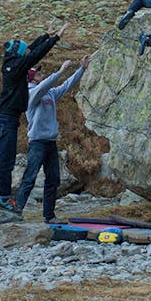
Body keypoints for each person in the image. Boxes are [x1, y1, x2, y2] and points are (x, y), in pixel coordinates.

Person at [0, 22, 68, 211]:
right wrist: (55, 38)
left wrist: (44, 36)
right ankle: (4, 198)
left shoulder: (12, 63)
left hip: (9, 118)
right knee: (5, 161)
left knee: (7, 159)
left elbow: (30, 52)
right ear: (19, 55)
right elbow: (34, 55)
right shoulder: (16, 68)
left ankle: (6, 198)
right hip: (6, 119)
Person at [15, 54, 91, 223]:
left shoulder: (49, 93)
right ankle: (17, 211)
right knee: (30, 177)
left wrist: (81, 69)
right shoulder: (30, 93)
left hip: (50, 143)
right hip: (37, 143)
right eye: (39, 74)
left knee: (53, 179)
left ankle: (49, 216)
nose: (42, 75)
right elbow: (45, 85)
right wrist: (61, 70)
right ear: (32, 79)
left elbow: (66, 86)